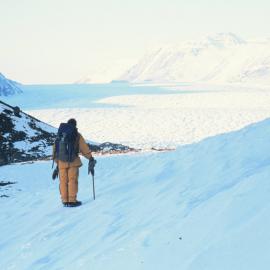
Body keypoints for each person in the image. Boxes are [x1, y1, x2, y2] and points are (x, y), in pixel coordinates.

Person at [53, 118, 93, 207]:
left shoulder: (60, 135)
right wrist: (90, 158)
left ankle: (64, 200)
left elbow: (55, 149)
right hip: (73, 161)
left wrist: (57, 162)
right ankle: (72, 200)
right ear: (75, 125)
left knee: (63, 181)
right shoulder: (77, 135)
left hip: (61, 162)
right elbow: (84, 148)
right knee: (72, 181)